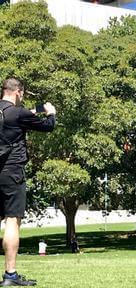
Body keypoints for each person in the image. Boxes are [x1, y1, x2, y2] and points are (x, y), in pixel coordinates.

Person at [0, 77, 56, 286]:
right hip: (12, 173)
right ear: (18, 92)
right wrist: (51, 112)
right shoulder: (18, 113)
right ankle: (11, 275)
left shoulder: (8, 112)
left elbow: (15, 117)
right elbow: (48, 126)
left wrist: (33, 110)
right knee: (12, 220)